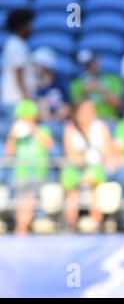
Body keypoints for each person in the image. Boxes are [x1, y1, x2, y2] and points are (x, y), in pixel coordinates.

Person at [61, 100, 115, 232]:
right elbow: (70, 153)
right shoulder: (70, 128)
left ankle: (96, 223)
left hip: (96, 166)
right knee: (72, 192)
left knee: (95, 188)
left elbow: (109, 151)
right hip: (75, 168)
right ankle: (71, 224)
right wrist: (81, 160)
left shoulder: (100, 127)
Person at [5, 100, 54, 235]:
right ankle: (21, 226)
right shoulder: (17, 132)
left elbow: (50, 145)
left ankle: (23, 227)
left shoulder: (42, 129)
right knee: (22, 199)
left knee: (29, 199)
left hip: (38, 170)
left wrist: (33, 129)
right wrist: (13, 136)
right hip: (21, 171)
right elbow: (9, 152)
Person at [1, 8, 35, 120]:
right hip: (17, 100)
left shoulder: (14, 43)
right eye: (30, 24)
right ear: (22, 26)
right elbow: (18, 73)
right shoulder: (17, 45)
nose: (32, 28)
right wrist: (27, 97)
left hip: (12, 98)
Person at [70, 49, 123, 120]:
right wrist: (85, 93)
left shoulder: (113, 79)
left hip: (108, 119)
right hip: (86, 121)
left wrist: (101, 89)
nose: (90, 68)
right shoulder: (77, 83)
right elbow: (73, 108)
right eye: (86, 66)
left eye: (92, 63)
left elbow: (119, 105)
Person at [32, 46, 71, 121]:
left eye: (37, 64)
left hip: (61, 119)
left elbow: (67, 104)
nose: (35, 67)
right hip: (45, 120)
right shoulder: (37, 84)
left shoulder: (60, 82)